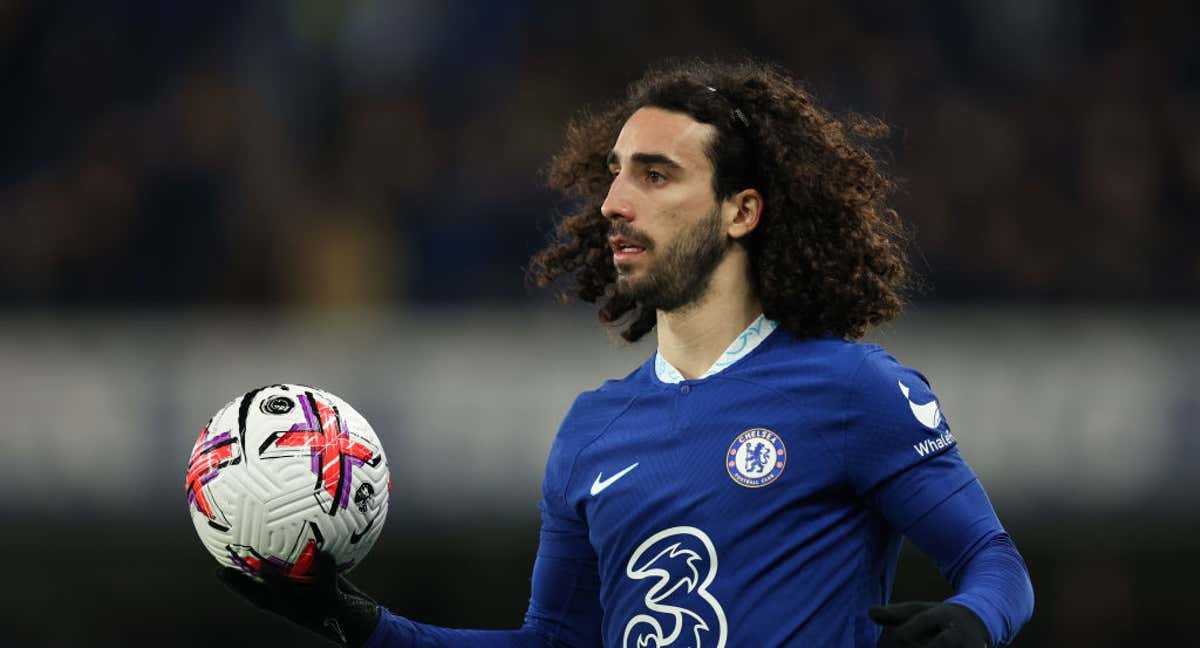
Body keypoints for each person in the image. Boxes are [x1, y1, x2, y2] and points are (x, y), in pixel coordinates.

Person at [221, 59, 1034, 647]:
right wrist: (359, 623)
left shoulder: (853, 390)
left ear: (740, 212)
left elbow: (993, 560)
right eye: (614, 176)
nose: (613, 202)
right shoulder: (593, 432)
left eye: (655, 175)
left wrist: (973, 618)